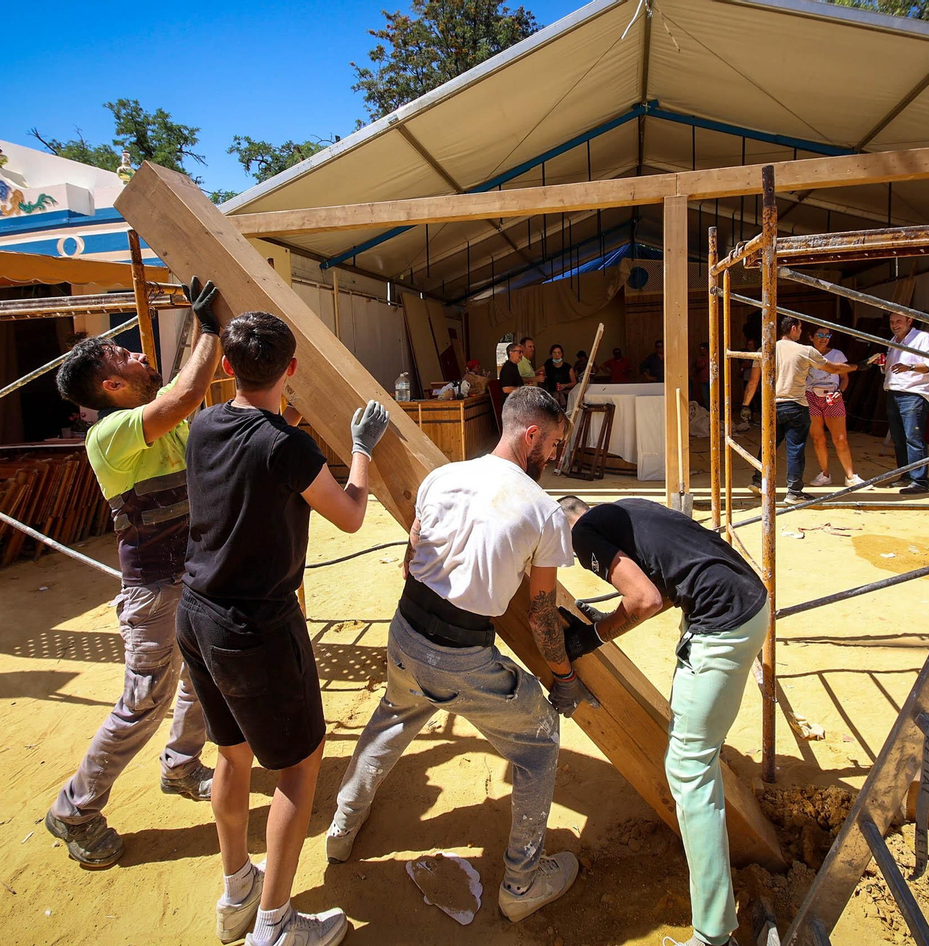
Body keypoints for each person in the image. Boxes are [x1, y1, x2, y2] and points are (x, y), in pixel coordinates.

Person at [326, 387, 595, 924]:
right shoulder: (542, 511)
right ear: (532, 434)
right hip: (462, 656)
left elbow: (411, 561)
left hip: (404, 634)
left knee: (393, 718)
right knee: (539, 741)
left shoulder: (441, 478)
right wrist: (562, 677)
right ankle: (522, 880)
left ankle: (342, 826)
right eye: (554, 444)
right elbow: (543, 617)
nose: (555, 456)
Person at [175, 310, 391, 946]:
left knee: (232, 754)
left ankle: (237, 886)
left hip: (197, 612)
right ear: (291, 370)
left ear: (226, 368)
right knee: (298, 767)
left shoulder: (206, 424)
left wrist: (290, 428)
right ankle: (274, 926)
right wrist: (361, 449)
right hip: (256, 626)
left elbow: (260, 451)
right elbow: (351, 514)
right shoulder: (287, 448)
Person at [44, 276, 223, 869]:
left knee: (200, 676)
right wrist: (212, 327)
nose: (142, 356)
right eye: (125, 355)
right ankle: (74, 809)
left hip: (190, 578)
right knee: (144, 700)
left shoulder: (156, 421)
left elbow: (185, 394)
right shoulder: (109, 434)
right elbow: (184, 394)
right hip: (153, 591)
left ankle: (181, 765)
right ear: (111, 385)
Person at [554, 496, 768, 946]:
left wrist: (590, 636)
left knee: (688, 768)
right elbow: (667, 585)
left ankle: (714, 935)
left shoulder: (583, 532)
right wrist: (606, 620)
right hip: (748, 600)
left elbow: (646, 599)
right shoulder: (628, 509)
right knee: (694, 754)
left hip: (723, 622)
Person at [740, 318, 855, 502]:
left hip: (771, 407)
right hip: (795, 405)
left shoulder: (765, 349)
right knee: (795, 449)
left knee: (768, 445)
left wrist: (746, 405)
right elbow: (833, 369)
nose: (801, 333)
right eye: (800, 329)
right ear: (793, 329)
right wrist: (859, 366)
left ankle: (758, 480)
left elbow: (753, 381)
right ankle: (794, 492)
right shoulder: (805, 350)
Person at [882, 312, 929, 495]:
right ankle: (905, 476)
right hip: (894, 392)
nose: (895, 325)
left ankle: (920, 481)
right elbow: (888, 370)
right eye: (892, 322)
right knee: (899, 439)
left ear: (910, 320)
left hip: (913, 394)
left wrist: (910, 367)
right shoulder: (893, 341)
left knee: (913, 438)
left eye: (899, 321)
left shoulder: (923, 338)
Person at [804, 327, 862, 487]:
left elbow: (844, 378)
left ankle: (850, 476)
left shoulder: (837, 354)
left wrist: (839, 392)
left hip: (832, 397)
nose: (824, 338)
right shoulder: (806, 353)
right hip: (811, 397)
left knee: (840, 439)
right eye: (820, 335)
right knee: (818, 438)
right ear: (811, 337)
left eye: (827, 335)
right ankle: (824, 474)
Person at [691, 342, 712, 410]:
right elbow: (698, 366)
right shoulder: (700, 358)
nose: (701, 350)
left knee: (713, 396)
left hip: (711, 380)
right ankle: (708, 411)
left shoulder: (712, 356)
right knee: (705, 397)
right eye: (700, 349)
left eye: (702, 348)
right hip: (703, 380)